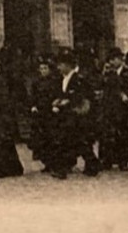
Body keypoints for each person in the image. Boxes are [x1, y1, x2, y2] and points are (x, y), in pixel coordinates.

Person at [45, 48, 95, 179]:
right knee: (76, 143)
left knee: (69, 142)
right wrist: (57, 100)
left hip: (76, 117)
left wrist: (67, 101)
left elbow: (82, 96)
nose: (58, 67)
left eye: (60, 64)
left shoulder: (79, 79)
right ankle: (92, 164)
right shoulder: (62, 79)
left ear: (68, 65)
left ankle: (63, 169)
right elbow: (60, 94)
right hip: (66, 117)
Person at [25, 58, 59, 170]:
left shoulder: (55, 81)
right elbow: (33, 96)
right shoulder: (36, 82)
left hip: (51, 111)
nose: (43, 71)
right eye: (41, 69)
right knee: (41, 137)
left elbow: (57, 95)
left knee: (52, 137)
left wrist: (56, 105)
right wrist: (33, 106)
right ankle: (46, 162)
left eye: (45, 68)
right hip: (40, 111)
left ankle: (54, 162)